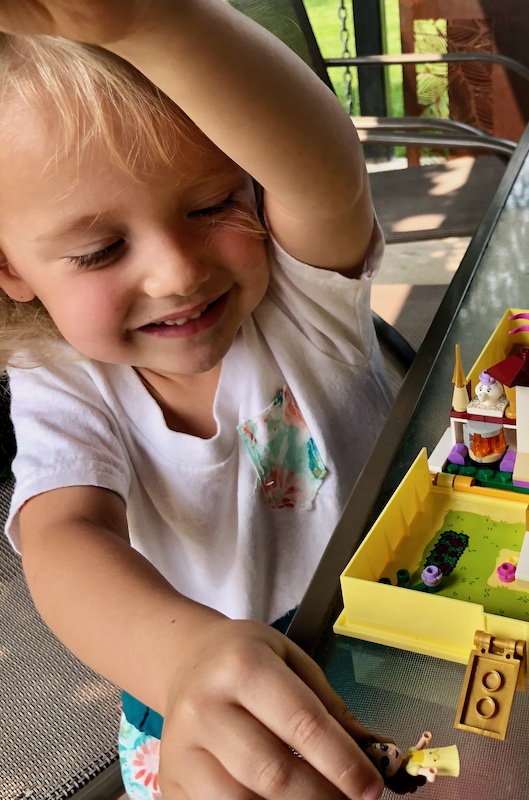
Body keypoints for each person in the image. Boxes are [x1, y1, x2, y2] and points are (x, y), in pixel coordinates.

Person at [0, 1, 394, 798]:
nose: (177, 272)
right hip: (198, 700)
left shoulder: (300, 299)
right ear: (11, 272)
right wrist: (184, 663)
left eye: (214, 204)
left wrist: (146, 20)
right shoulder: (64, 378)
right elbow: (62, 536)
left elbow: (325, 168)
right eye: (100, 249)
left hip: (397, 642)